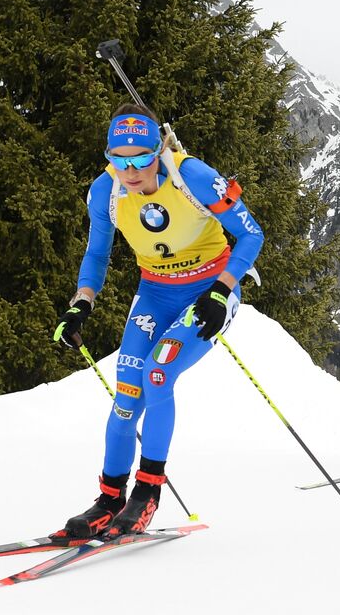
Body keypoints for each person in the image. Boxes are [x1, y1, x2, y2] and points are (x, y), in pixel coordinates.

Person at [52, 105, 264, 538]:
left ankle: (147, 494)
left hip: (208, 293)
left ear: (159, 150)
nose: (130, 170)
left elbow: (251, 234)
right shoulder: (104, 192)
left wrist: (222, 290)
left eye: (141, 158)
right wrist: (81, 303)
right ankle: (109, 499)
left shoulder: (195, 178)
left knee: (158, 374)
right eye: (119, 158)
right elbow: (96, 254)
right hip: (154, 294)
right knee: (126, 394)